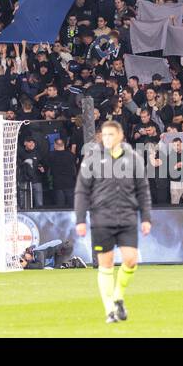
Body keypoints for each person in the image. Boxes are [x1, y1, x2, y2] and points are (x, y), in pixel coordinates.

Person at [74, 120, 151, 324]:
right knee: (106, 264)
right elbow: (82, 191)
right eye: (104, 135)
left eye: (111, 135)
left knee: (131, 259)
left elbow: (143, 190)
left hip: (127, 218)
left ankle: (118, 296)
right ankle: (109, 310)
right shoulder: (91, 160)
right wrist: (80, 219)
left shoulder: (133, 158)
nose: (107, 138)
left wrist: (146, 218)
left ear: (120, 136)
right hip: (101, 219)